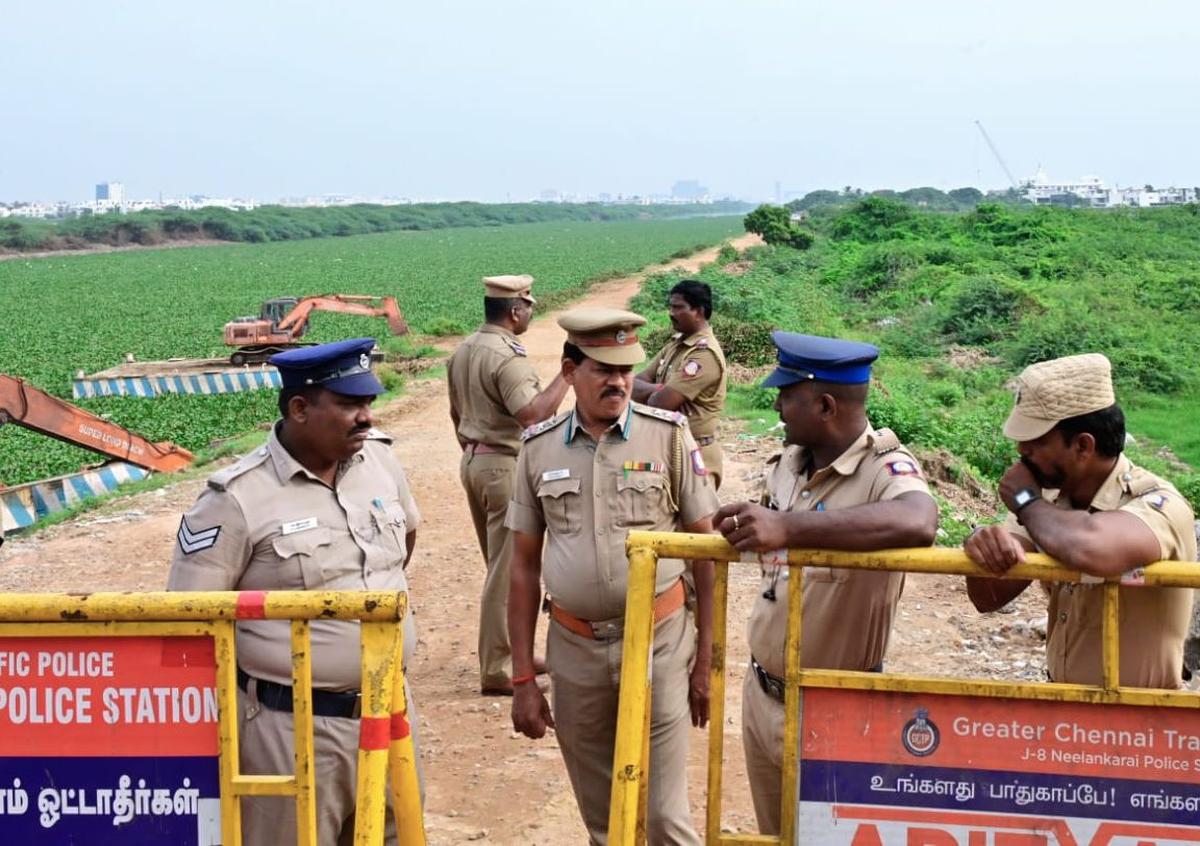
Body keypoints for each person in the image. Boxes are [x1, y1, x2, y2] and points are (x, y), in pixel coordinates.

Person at [168, 337, 422, 845]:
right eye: (349, 404)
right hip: (292, 729)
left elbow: (404, 544)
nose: (366, 417)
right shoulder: (235, 499)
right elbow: (188, 622)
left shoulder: (380, 463)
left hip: (391, 710)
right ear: (300, 408)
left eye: (368, 402)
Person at [506, 307, 719, 846]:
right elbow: (524, 568)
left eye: (626, 368)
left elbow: (706, 553)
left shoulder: (669, 438)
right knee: (605, 822)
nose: (618, 381)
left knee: (665, 820)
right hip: (574, 652)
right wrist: (524, 680)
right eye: (603, 368)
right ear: (571, 369)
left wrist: (708, 659)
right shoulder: (538, 449)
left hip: (660, 644)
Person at [713, 332, 938, 836]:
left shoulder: (884, 469)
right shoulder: (790, 464)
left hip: (836, 708)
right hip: (762, 694)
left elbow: (920, 520)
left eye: (786, 396)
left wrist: (789, 528)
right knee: (773, 833)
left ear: (826, 405)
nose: (776, 406)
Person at [965, 353, 1196, 689]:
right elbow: (987, 598)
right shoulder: (1050, 504)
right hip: (1067, 721)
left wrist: (1025, 503)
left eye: (1035, 443)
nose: (1021, 450)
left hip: (1141, 724)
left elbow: (1091, 547)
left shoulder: (1158, 504)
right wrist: (986, 548)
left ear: (1083, 446)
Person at [447, 274, 569, 694]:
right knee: (508, 571)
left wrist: (475, 449)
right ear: (516, 311)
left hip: (475, 461)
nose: (530, 313)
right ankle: (499, 667)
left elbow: (454, 413)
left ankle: (512, 653)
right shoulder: (507, 356)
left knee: (499, 565)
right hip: (503, 466)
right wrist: (565, 378)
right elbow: (532, 414)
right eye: (529, 306)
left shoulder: (464, 349)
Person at [633, 279, 728, 488]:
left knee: (695, 520)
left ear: (699, 311)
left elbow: (659, 404)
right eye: (670, 306)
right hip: (669, 450)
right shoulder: (676, 346)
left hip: (695, 454)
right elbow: (633, 385)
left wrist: (657, 394)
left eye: (678, 307)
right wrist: (660, 389)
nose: (671, 312)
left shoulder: (704, 355)